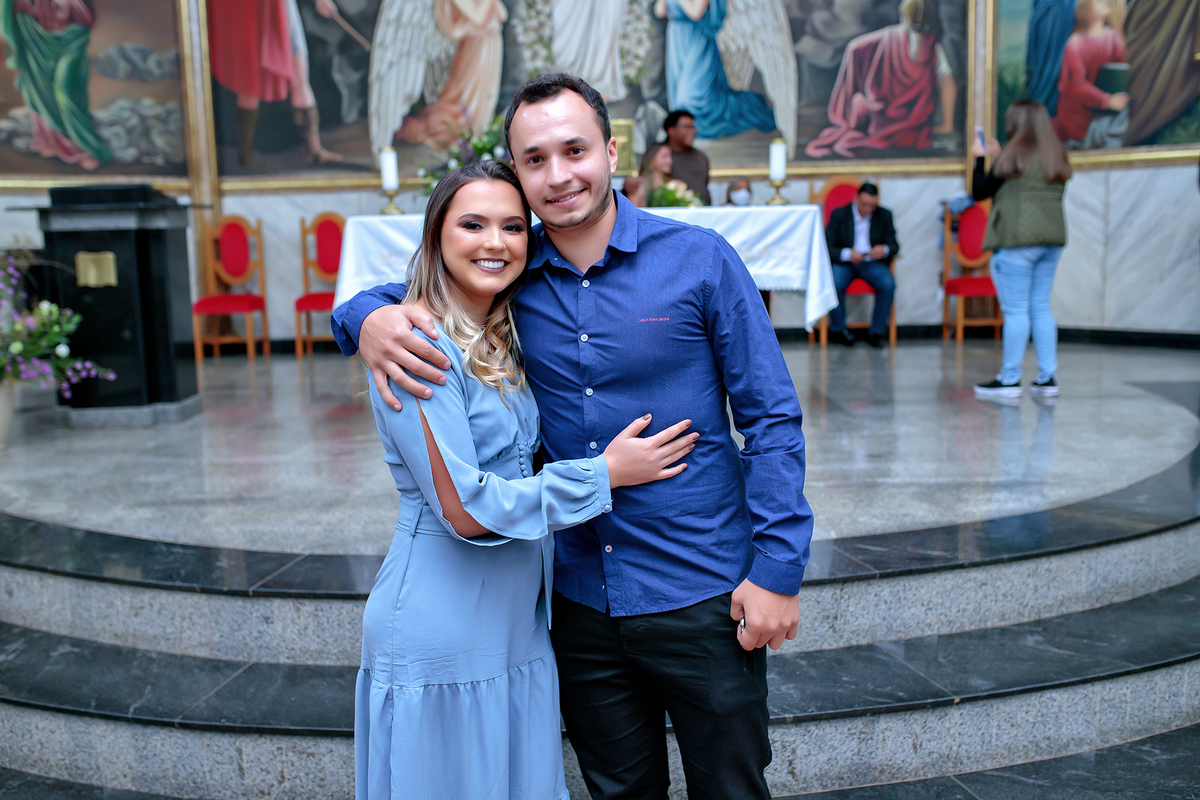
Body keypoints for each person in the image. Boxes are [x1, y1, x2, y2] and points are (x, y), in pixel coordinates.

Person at [333, 73, 814, 799]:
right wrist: (363, 318)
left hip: (701, 589)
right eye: (535, 159)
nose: (558, 175)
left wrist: (778, 567)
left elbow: (771, 416)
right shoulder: (511, 274)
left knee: (732, 790)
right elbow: (427, 285)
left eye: (575, 150)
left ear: (611, 152)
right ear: (518, 170)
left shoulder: (699, 259)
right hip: (580, 603)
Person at [355, 159, 697, 799]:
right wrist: (605, 475)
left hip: (519, 620)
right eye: (472, 224)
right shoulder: (418, 346)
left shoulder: (500, 333)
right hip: (446, 618)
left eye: (513, 227)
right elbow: (464, 510)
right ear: (435, 236)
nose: (495, 242)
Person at [971, 99, 1072, 399]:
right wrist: (1001, 155)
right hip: (1051, 241)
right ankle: (1047, 378)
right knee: (1040, 308)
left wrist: (979, 159)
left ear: (1015, 123)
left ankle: (1009, 379)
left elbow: (979, 191)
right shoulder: (1056, 153)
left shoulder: (1013, 156)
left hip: (1017, 242)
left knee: (1015, 311)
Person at [804, 0, 957, 158]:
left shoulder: (918, 44)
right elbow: (948, 84)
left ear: (903, 16)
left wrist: (946, 126)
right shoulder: (930, 46)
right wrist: (947, 126)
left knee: (859, 105)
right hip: (913, 128)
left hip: (897, 123)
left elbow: (857, 46)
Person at [207, 0, 343, 167]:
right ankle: (247, 156)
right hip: (267, 9)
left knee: (255, 82)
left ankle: (246, 156)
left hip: (256, 10)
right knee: (266, 80)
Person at [0, 0, 111, 170]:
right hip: (34, 31)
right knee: (40, 88)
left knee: (66, 92)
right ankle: (52, 141)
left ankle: (85, 145)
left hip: (72, 36)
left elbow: (85, 15)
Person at [823, 182, 898, 348]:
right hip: (846, 263)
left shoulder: (884, 215)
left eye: (873, 205)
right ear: (856, 199)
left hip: (872, 263)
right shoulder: (839, 214)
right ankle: (839, 330)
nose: (868, 209)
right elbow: (827, 247)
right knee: (834, 282)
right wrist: (847, 254)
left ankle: (876, 332)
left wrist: (884, 249)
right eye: (864, 204)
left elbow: (894, 245)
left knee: (888, 283)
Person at [1050, 0, 1127, 146]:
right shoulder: (1075, 43)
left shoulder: (1112, 37)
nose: (1105, 2)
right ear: (1085, 9)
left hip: (1104, 109)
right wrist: (1108, 100)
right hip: (1079, 115)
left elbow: (1123, 66)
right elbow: (1077, 85)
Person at [662, 109, 712, 204]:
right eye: (686, 127)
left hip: (702, 211)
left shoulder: (701, 157)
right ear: (671, 130)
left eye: (693, 127)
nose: (692, 132)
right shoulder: (659, 156)